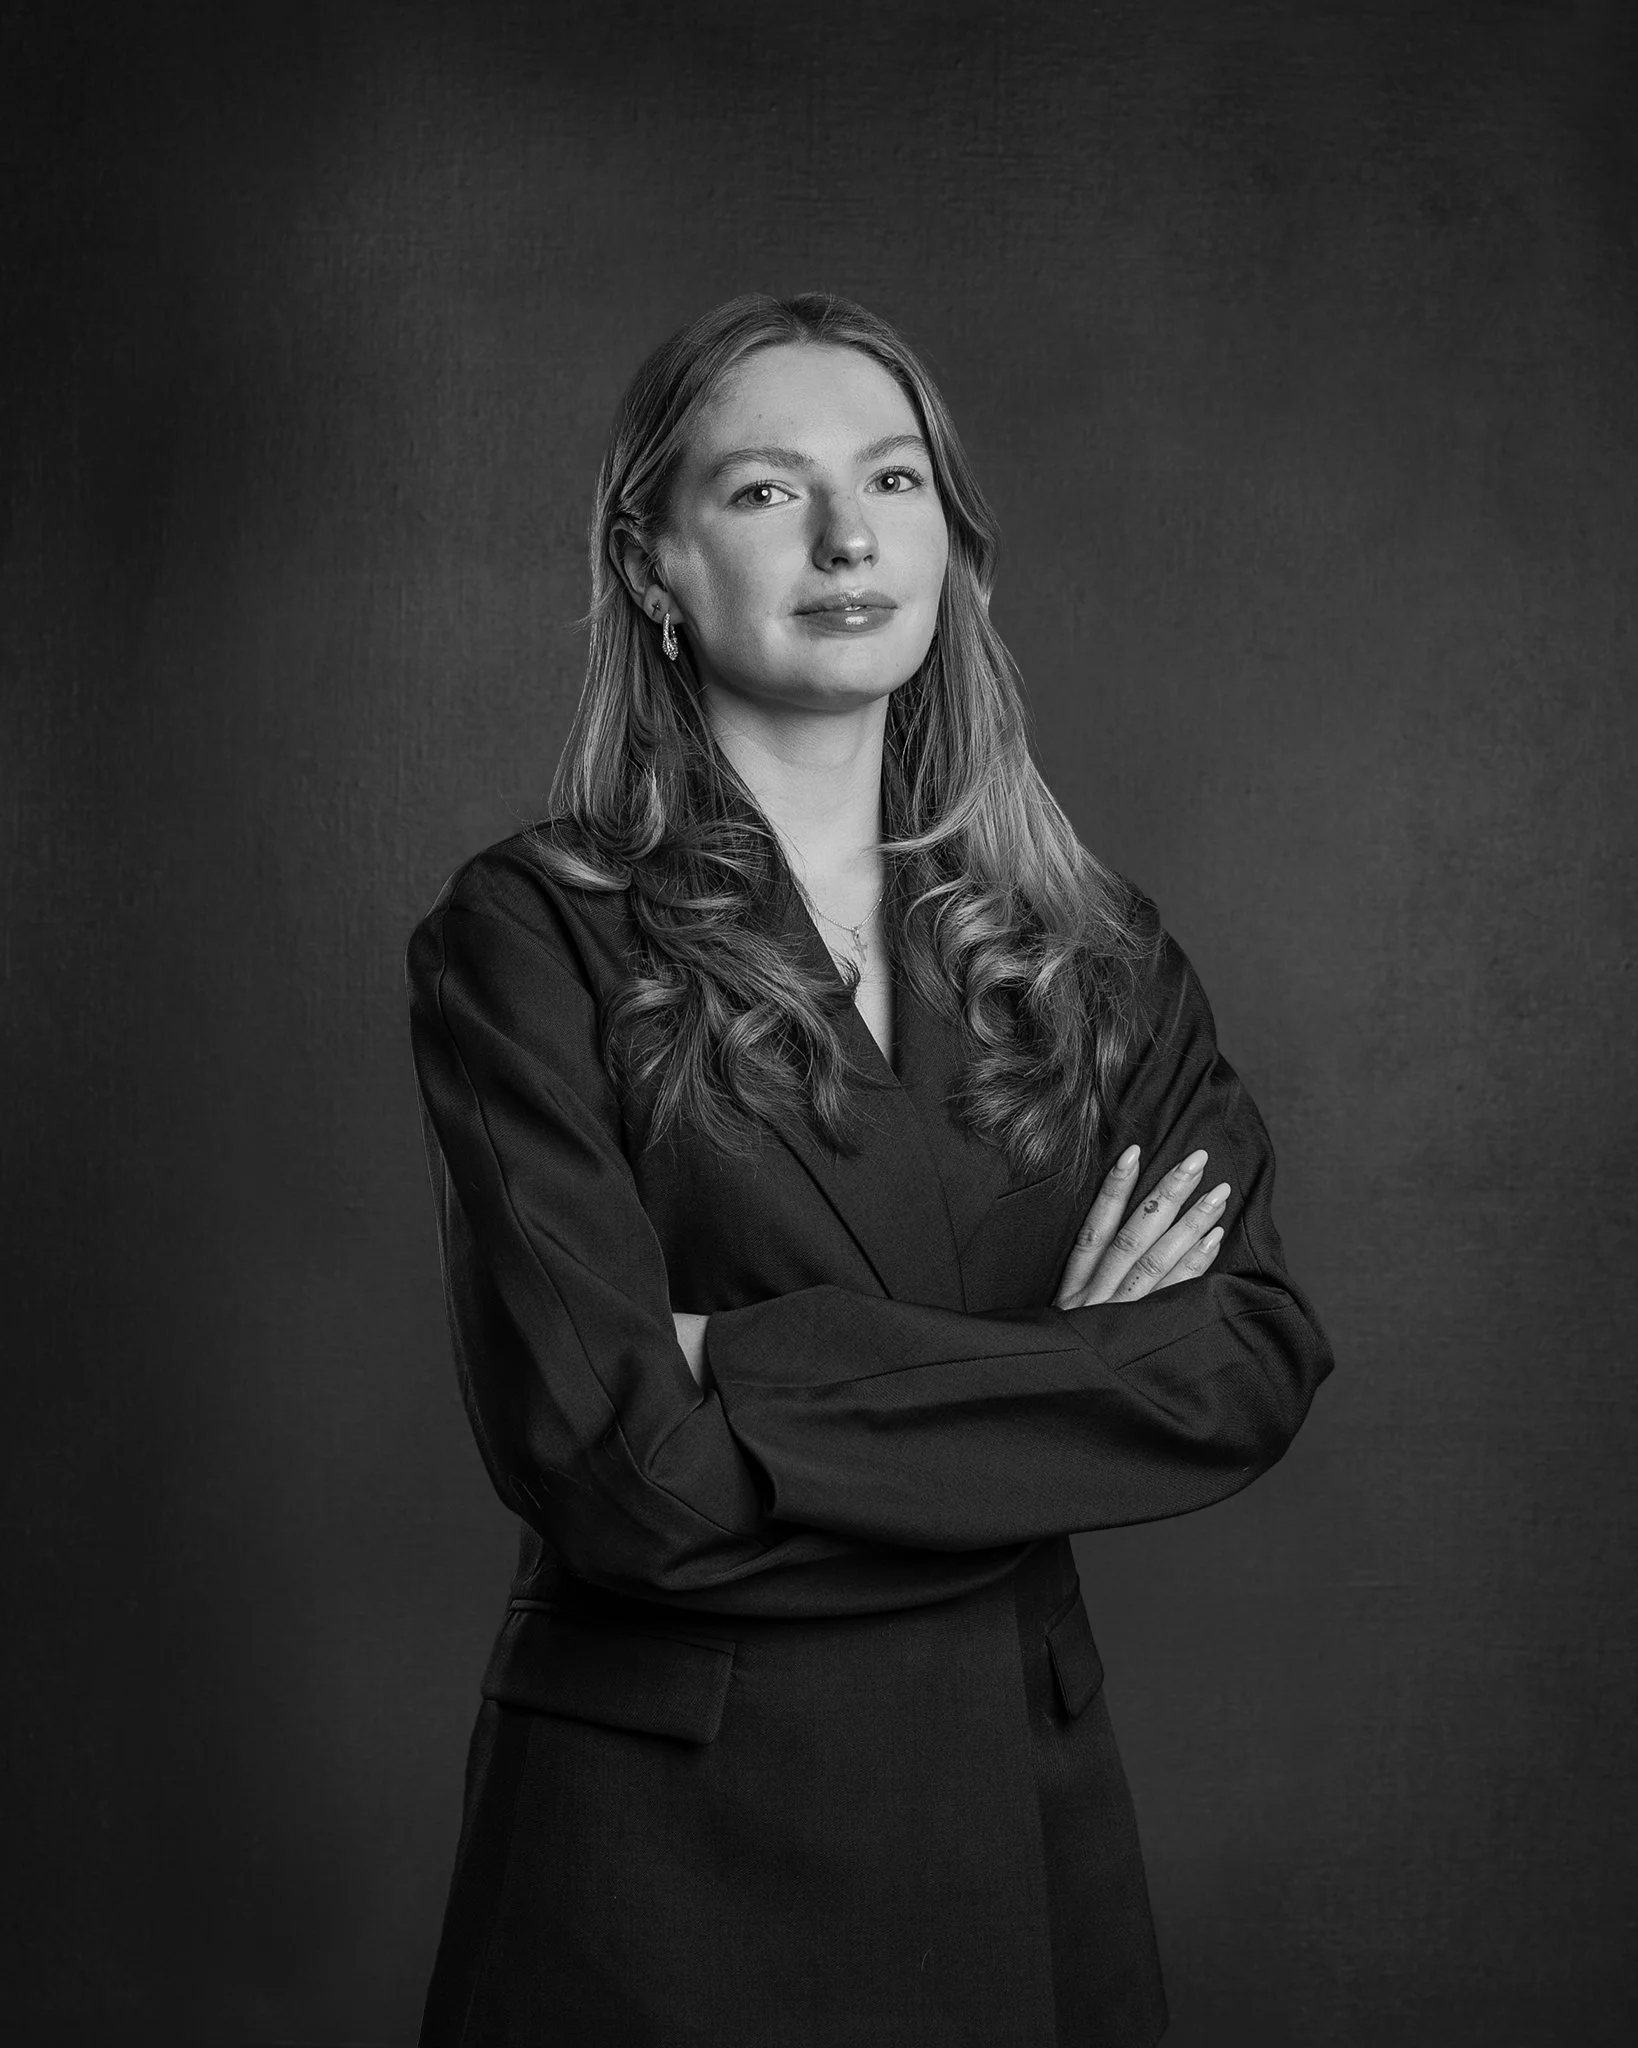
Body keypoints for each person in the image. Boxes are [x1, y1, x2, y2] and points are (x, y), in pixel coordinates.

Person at [405, 290, 1333, 2048]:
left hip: (1017, 1808)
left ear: (952, 547)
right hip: (660, 1844)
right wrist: (1068, 1384)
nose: (847, 538)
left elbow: (1246, 1363)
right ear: (652, 565)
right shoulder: (531, 935)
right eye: (766, 490)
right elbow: (620, 1477)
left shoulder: (1092, 949)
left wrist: (736, 1368)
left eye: (892, 480)